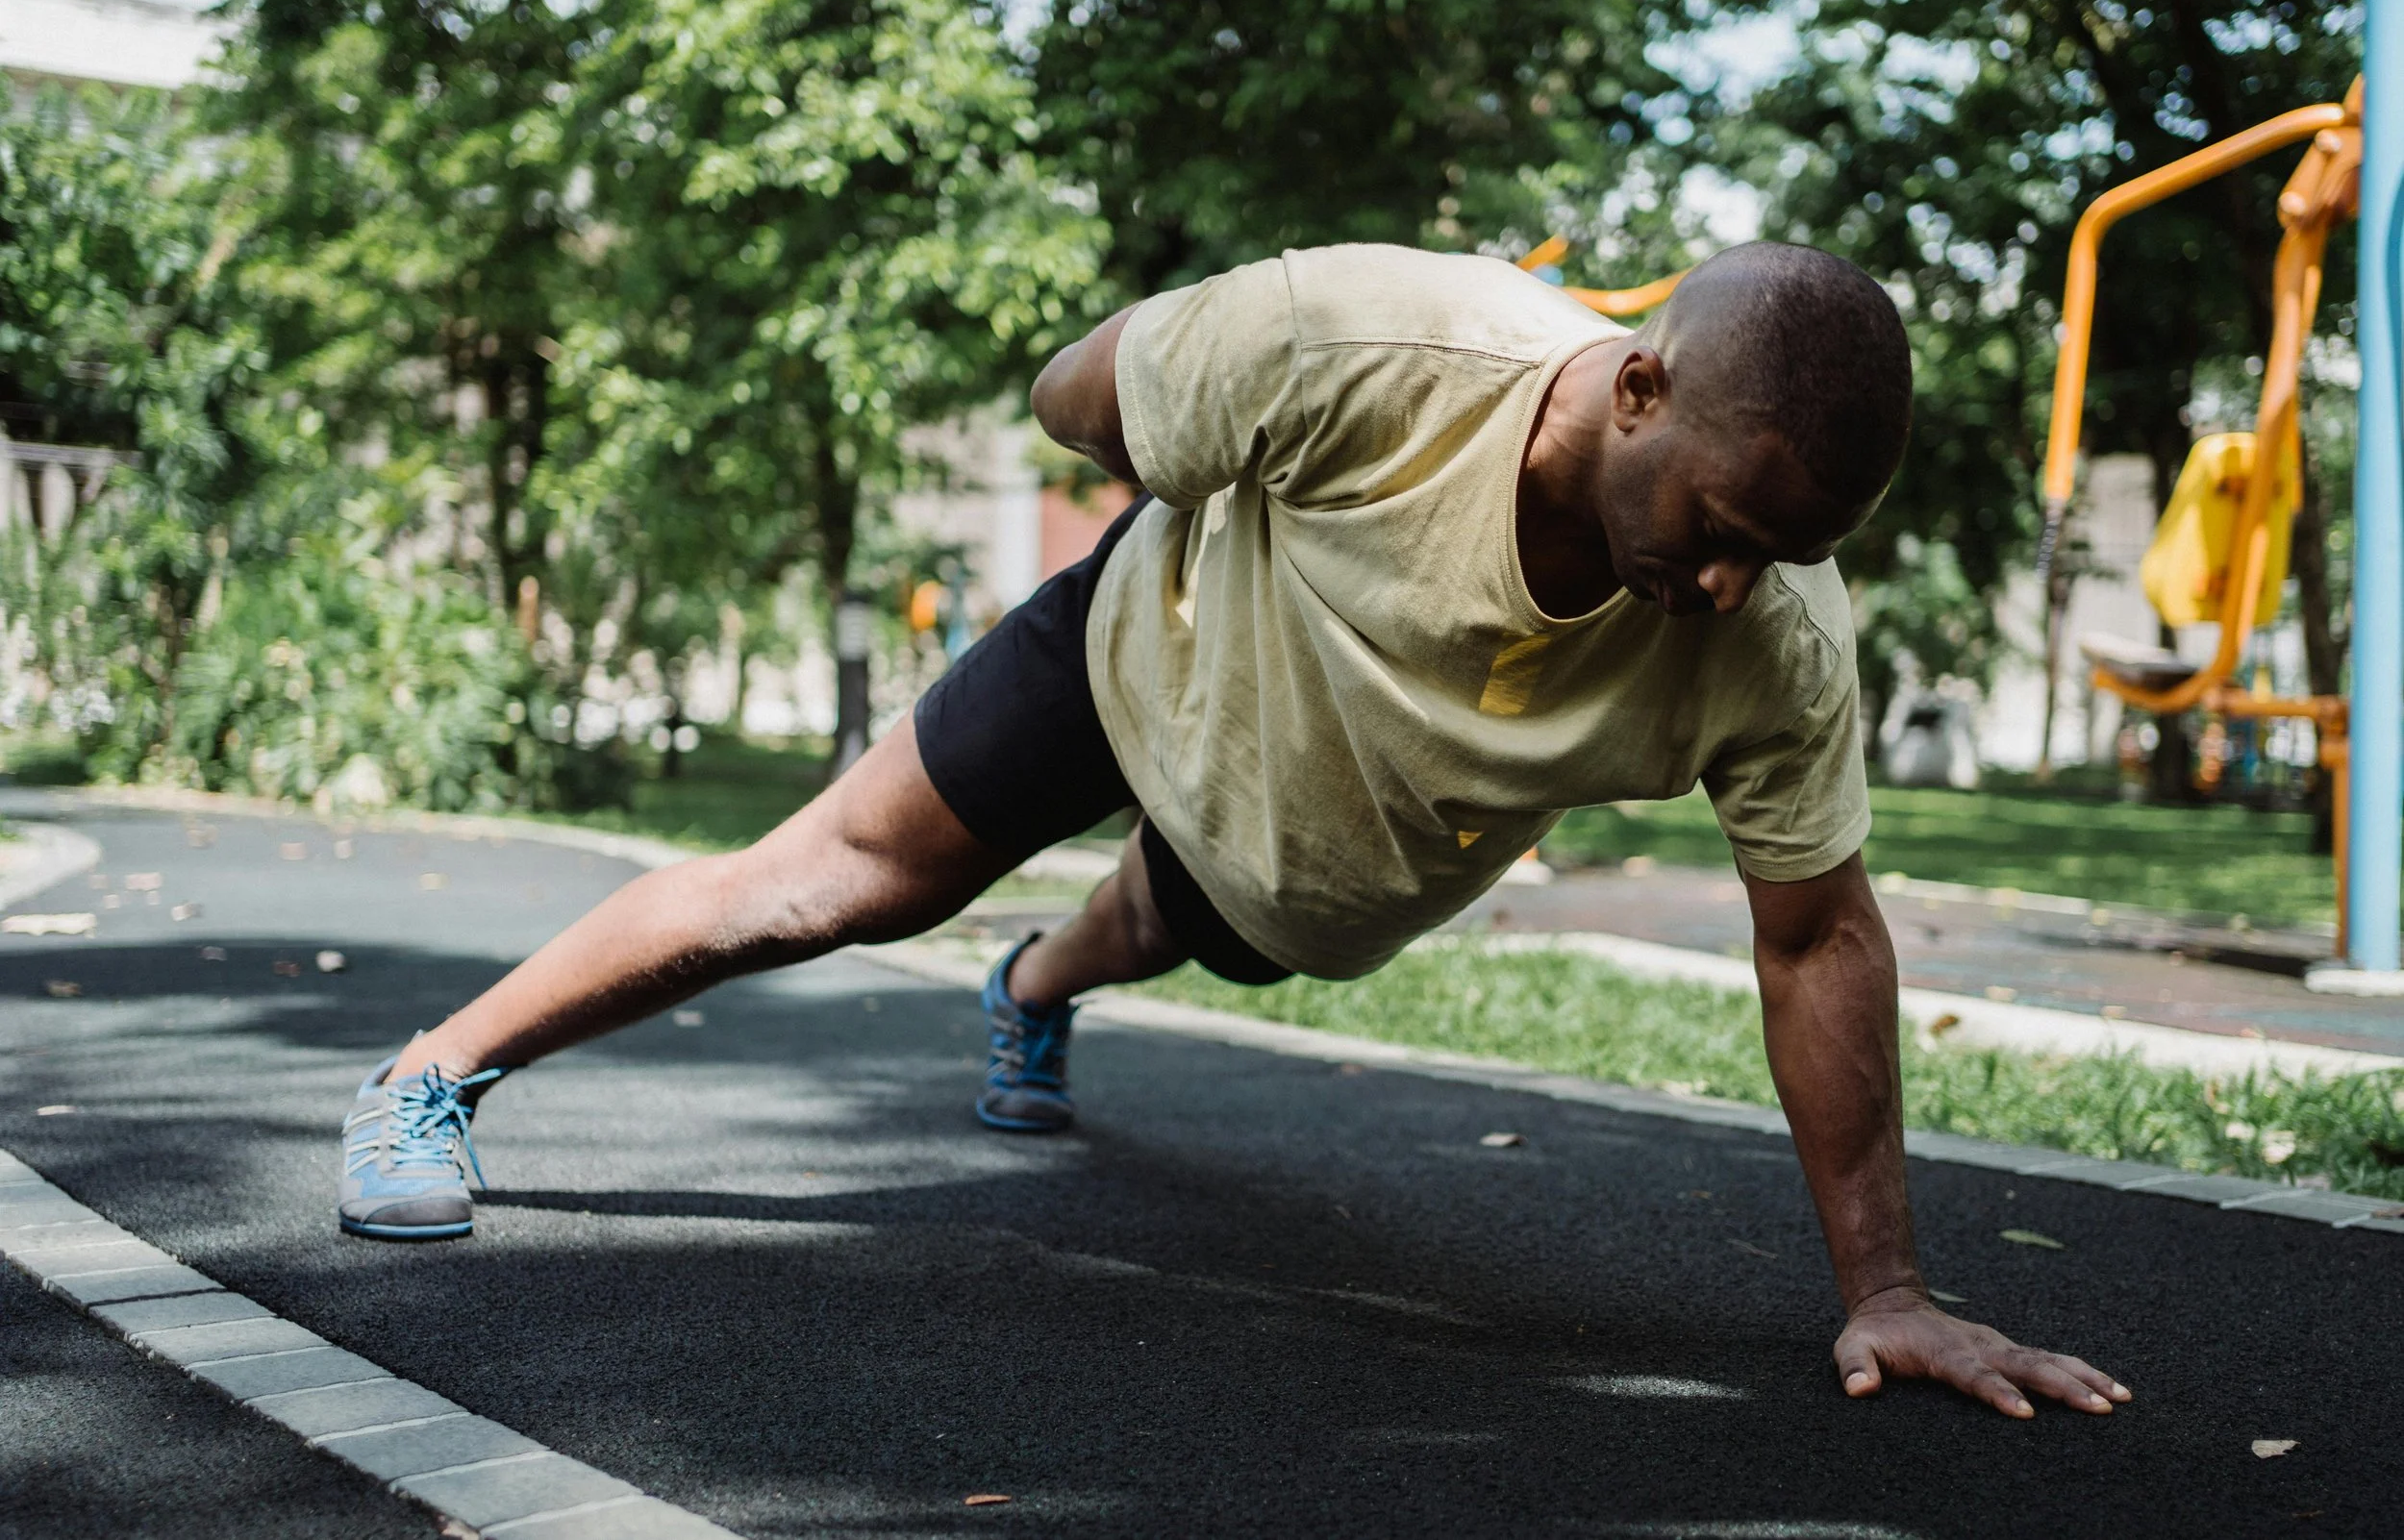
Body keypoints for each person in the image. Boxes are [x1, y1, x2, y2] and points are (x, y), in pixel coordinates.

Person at [337, 240, 2130, 1421]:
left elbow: (1817, 931)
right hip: (1147, 657)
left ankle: (1032, 984)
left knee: (1167, 924)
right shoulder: (1370, 344)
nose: (1735, 580)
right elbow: (1073, 388)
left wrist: (1886, 1283)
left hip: (1326, 847)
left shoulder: (1774, 640)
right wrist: (1187, 413)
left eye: (1786, 555)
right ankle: (429, 1074)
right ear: (1639, 386)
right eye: (1728, 523)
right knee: (827, 883)